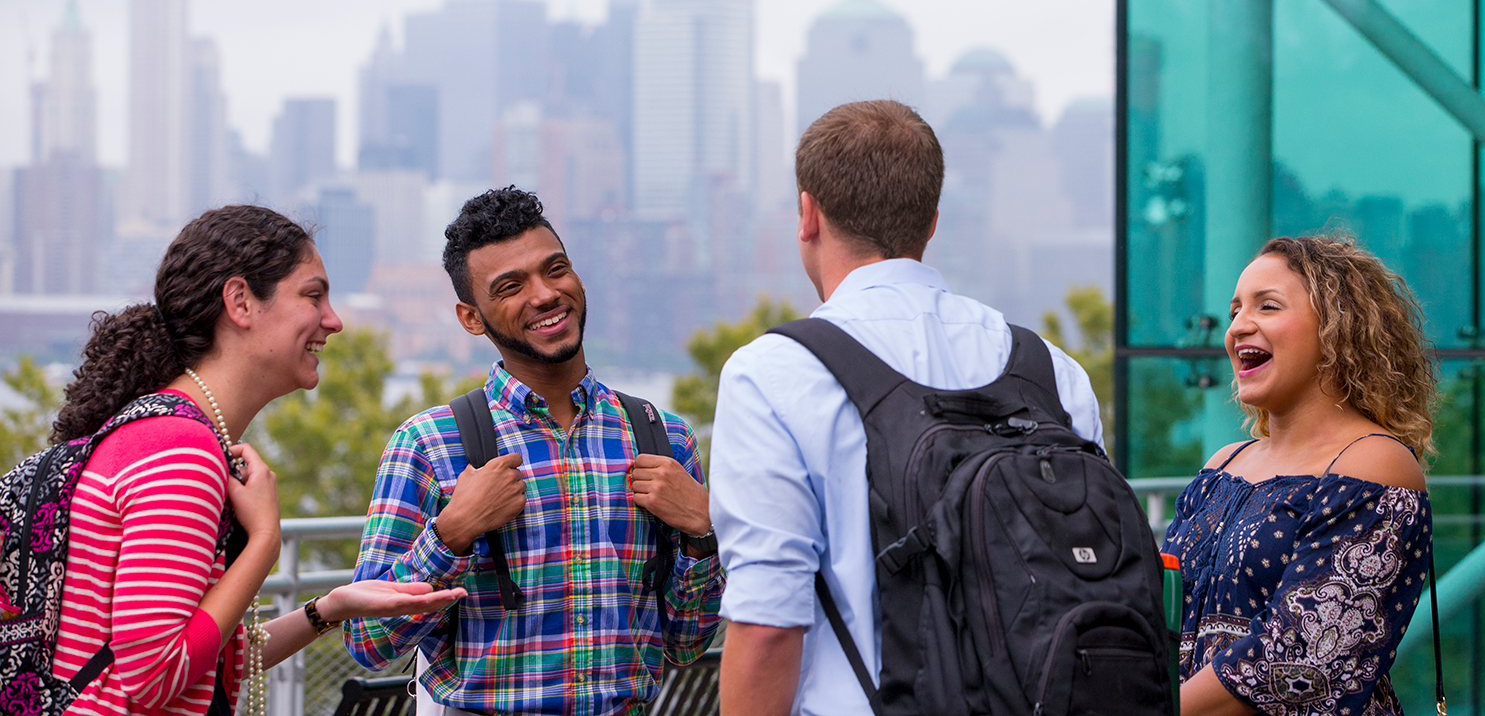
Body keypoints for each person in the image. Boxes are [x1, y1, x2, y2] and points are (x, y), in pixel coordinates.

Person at [709, 99, 1105, 716]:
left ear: (807, 214)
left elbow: (767, 625)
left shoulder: (773, 373)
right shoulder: (1052, 371)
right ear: (932, 220)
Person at [53, 204, 466, 716]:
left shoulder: (164, 434)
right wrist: (266, 542)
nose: (333, 321)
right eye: (313, 296)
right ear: (241, 301)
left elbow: (202, 660)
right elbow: (155, 675)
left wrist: (329, 608)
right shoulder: (179, 454)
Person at [344, 187, 723, 715]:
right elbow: (367, 641)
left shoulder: (664, 438)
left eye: (556, 269)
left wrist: (702, 533)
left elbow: (687, 644)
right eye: (510, 286)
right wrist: (451, 535)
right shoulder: (429, 445)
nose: (545, 295)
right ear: (472, 317)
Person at [1163, 234, 1437, 716]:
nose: (1238, 327)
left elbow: (1297, 660)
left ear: (1337, 329)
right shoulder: (1222, 465)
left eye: (1267, 307)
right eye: (1234, 311)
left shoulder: (1374, 465)